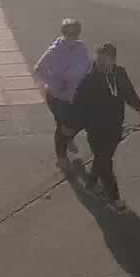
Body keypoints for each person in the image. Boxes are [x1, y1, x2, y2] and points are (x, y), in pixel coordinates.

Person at [72, 43, 140, 213]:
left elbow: (129, 93)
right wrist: (73, 129)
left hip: (115, 126)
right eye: (99, 61)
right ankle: (114, 198)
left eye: (106, 61)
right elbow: (78, 107)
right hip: (96, 130)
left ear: (113, 60)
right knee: (106, 162)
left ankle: (90, 182)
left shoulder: (119, 73)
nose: (102, 65)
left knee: (102, 158)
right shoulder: (88, 81)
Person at [32, 18, 92, 171]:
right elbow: (39, 69)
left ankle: (69, 137)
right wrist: (56, 84)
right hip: (59, 97)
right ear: (63, 33)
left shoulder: (81, 46)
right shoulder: (55, 50)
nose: (73, 37)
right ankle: (61, 157)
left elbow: (87, 65)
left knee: (80, 122)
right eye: (69, 33)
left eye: (75, 33)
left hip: (77, 95)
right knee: (63, 127)